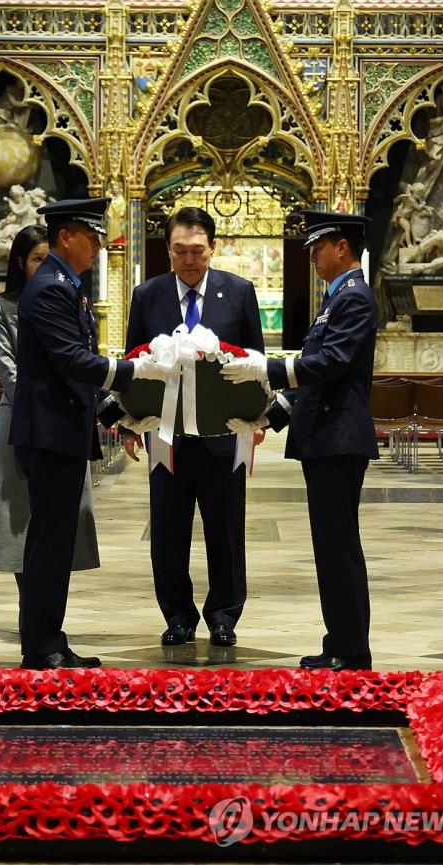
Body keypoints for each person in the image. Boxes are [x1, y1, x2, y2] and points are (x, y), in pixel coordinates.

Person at [9, 198, 167, 670]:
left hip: (59, 429)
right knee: (49, 544)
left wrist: (114, 412)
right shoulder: (52, 288)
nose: (100, 245)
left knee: (56, 543)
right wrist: (135, 371)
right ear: (65, 237)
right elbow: (73, 361)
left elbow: (76, 370)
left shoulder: (65, 285)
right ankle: (41, 646)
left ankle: (48, 640)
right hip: (50, 433)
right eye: (92, 236)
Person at [222, 210, 378, 672]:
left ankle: (352, 650)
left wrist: (264, 368)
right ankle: (340, 641)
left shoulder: (354, 298)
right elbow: (311, 380)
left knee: (339, 546)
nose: (312, 256)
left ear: (342, 247)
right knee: (329, 546)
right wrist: (267, 417)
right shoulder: (335, 299)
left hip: (339, 438)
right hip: (325, 437)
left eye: (317, 247)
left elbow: (328, 364)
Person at [122, 206, 265, 648]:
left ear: (212, 248)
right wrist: (128, 426)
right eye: (180, 251)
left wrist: (257, 420)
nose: (189, 260)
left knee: (225, 531)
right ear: (167, 250)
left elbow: (255, 362)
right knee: (168, 531)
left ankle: (224, 615)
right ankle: (178, 616)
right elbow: (132, 367)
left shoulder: (238, 292)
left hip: (224, 435)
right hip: (167, 437)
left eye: (198, 251)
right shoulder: (148, 295)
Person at [0, 225, 100, 603]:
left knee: (59, 523)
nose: (43, 265)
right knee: (21, 520)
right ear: (21, 263)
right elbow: (12, 374)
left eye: (45, 257)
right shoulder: (2, 306)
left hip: (61, 422)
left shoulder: (73, 297)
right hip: (26, 420)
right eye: (36, 259)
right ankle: (34, 615)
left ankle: (45, 617)